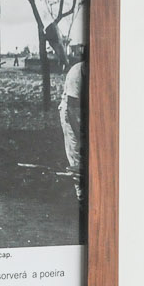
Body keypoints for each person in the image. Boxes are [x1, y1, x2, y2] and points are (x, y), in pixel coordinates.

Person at [60, 48, 85, 200]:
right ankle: (80, 195)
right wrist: (82, 137)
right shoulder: (77, 73)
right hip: (72, 112)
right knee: (76, 152)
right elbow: (71, 109)